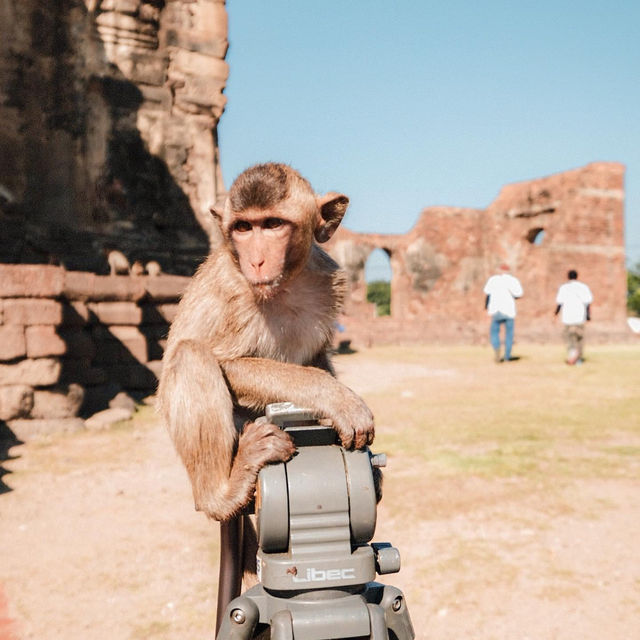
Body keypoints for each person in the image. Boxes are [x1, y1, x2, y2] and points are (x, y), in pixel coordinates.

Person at [483, 264, 523, 362]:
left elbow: (487, 294)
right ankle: (507, 356)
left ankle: (496, 348)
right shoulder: (513, 281)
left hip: (496, 309)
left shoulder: (493, 280)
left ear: (500, 270)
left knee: (494, 332)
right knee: (509, 334)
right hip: (509, 310)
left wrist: (486, 307)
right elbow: (519, 294)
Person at [554, 270, 593, 365]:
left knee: (570, 338)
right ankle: (578, 358)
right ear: (577, 276)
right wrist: (588, 315)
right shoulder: (583, 287)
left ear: (568, 276)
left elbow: (559, 303)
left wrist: (556, 313)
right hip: (580, 316)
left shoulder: (564, 288)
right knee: (579, 338)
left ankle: (572, 356)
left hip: (568, 317)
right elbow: (587, 303)